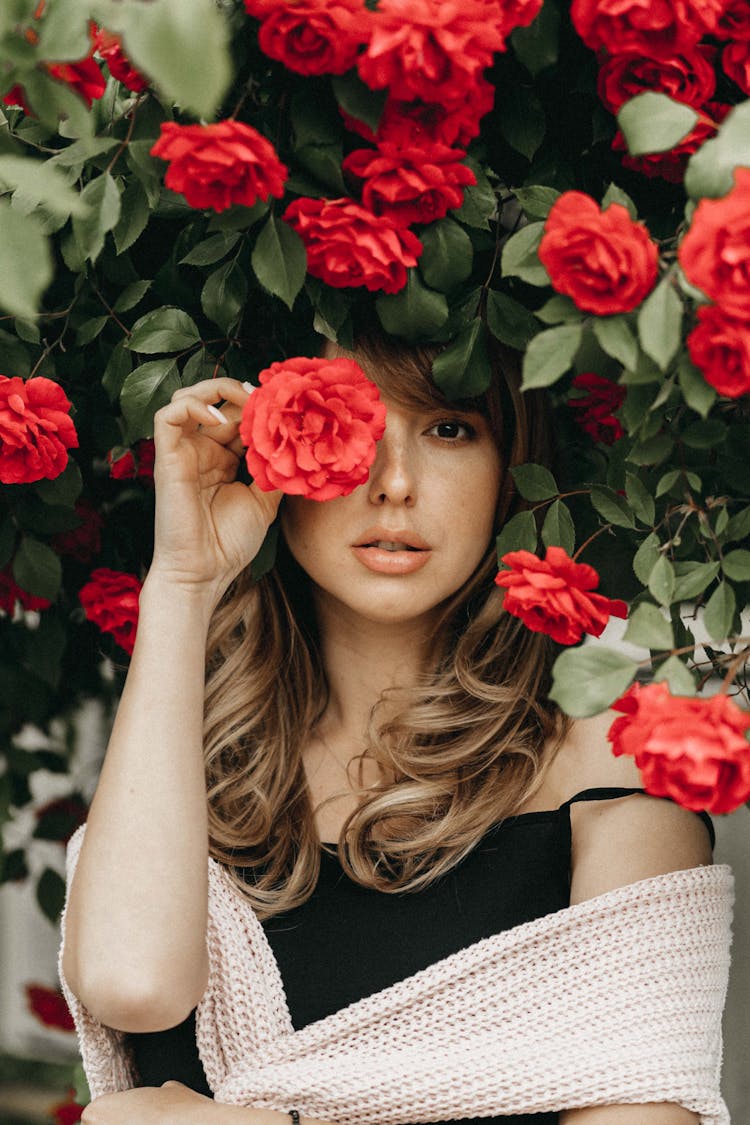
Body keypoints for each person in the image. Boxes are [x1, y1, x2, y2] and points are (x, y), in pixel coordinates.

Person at [59, 334, 729, 1125]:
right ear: (267, 456)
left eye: (450, 427)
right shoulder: (184, 766)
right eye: (351, 421)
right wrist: (183, 580)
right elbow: (131, 986)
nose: (396, 483)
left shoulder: (608, 772)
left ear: (513, 468)